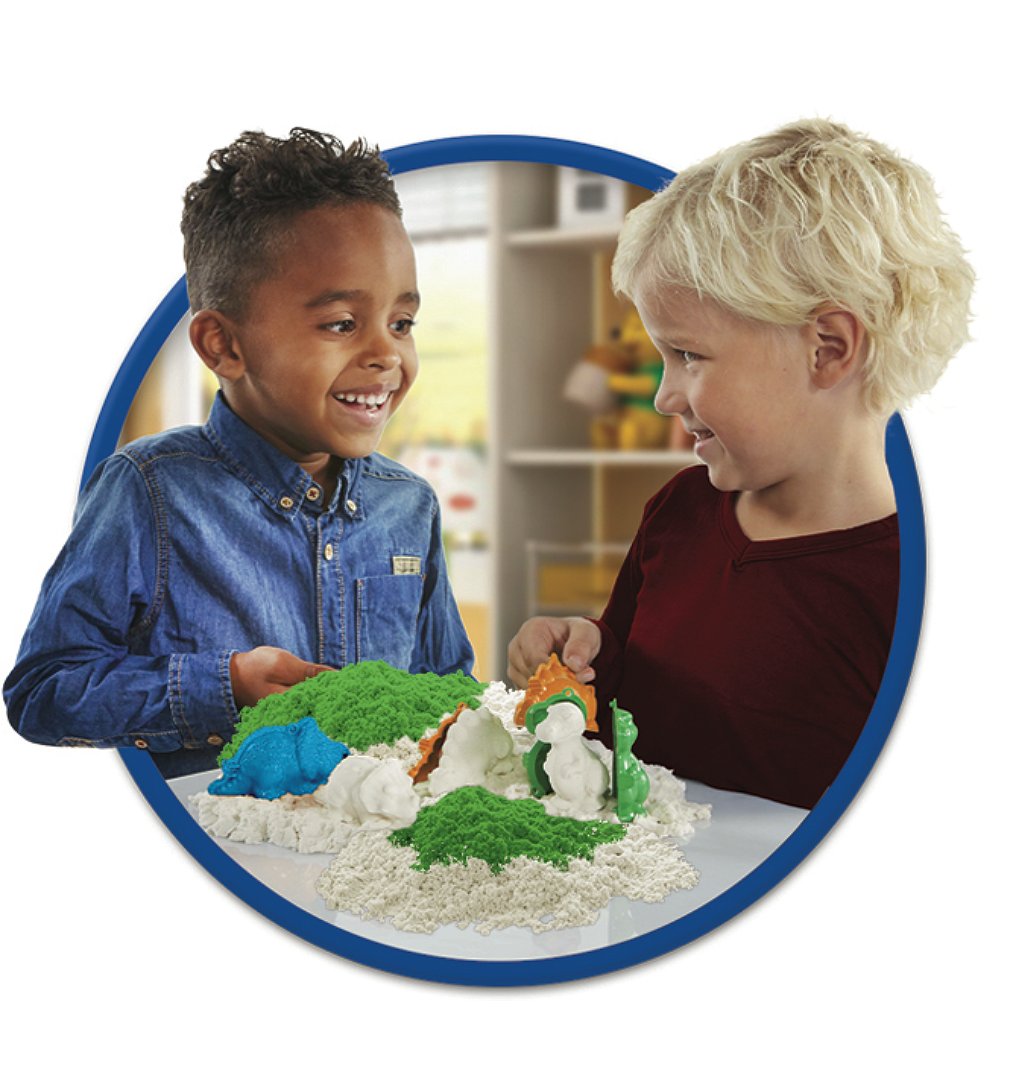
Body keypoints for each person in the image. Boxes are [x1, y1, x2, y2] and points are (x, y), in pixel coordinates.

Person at [508, 119, 973, 809]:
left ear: (827, 349)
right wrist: (587, 655)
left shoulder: (914, 582)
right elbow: (630, 699)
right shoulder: (680, 510)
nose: (664, 396)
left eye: (688, 355)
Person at [5, 128, 473, 777]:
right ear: (223, 346)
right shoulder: (149, 490)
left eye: (401, 323)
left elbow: (447, 690)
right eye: (342, 323)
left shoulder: (408, 505)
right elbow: (43, 693)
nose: (387, 355)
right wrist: (222, 687)